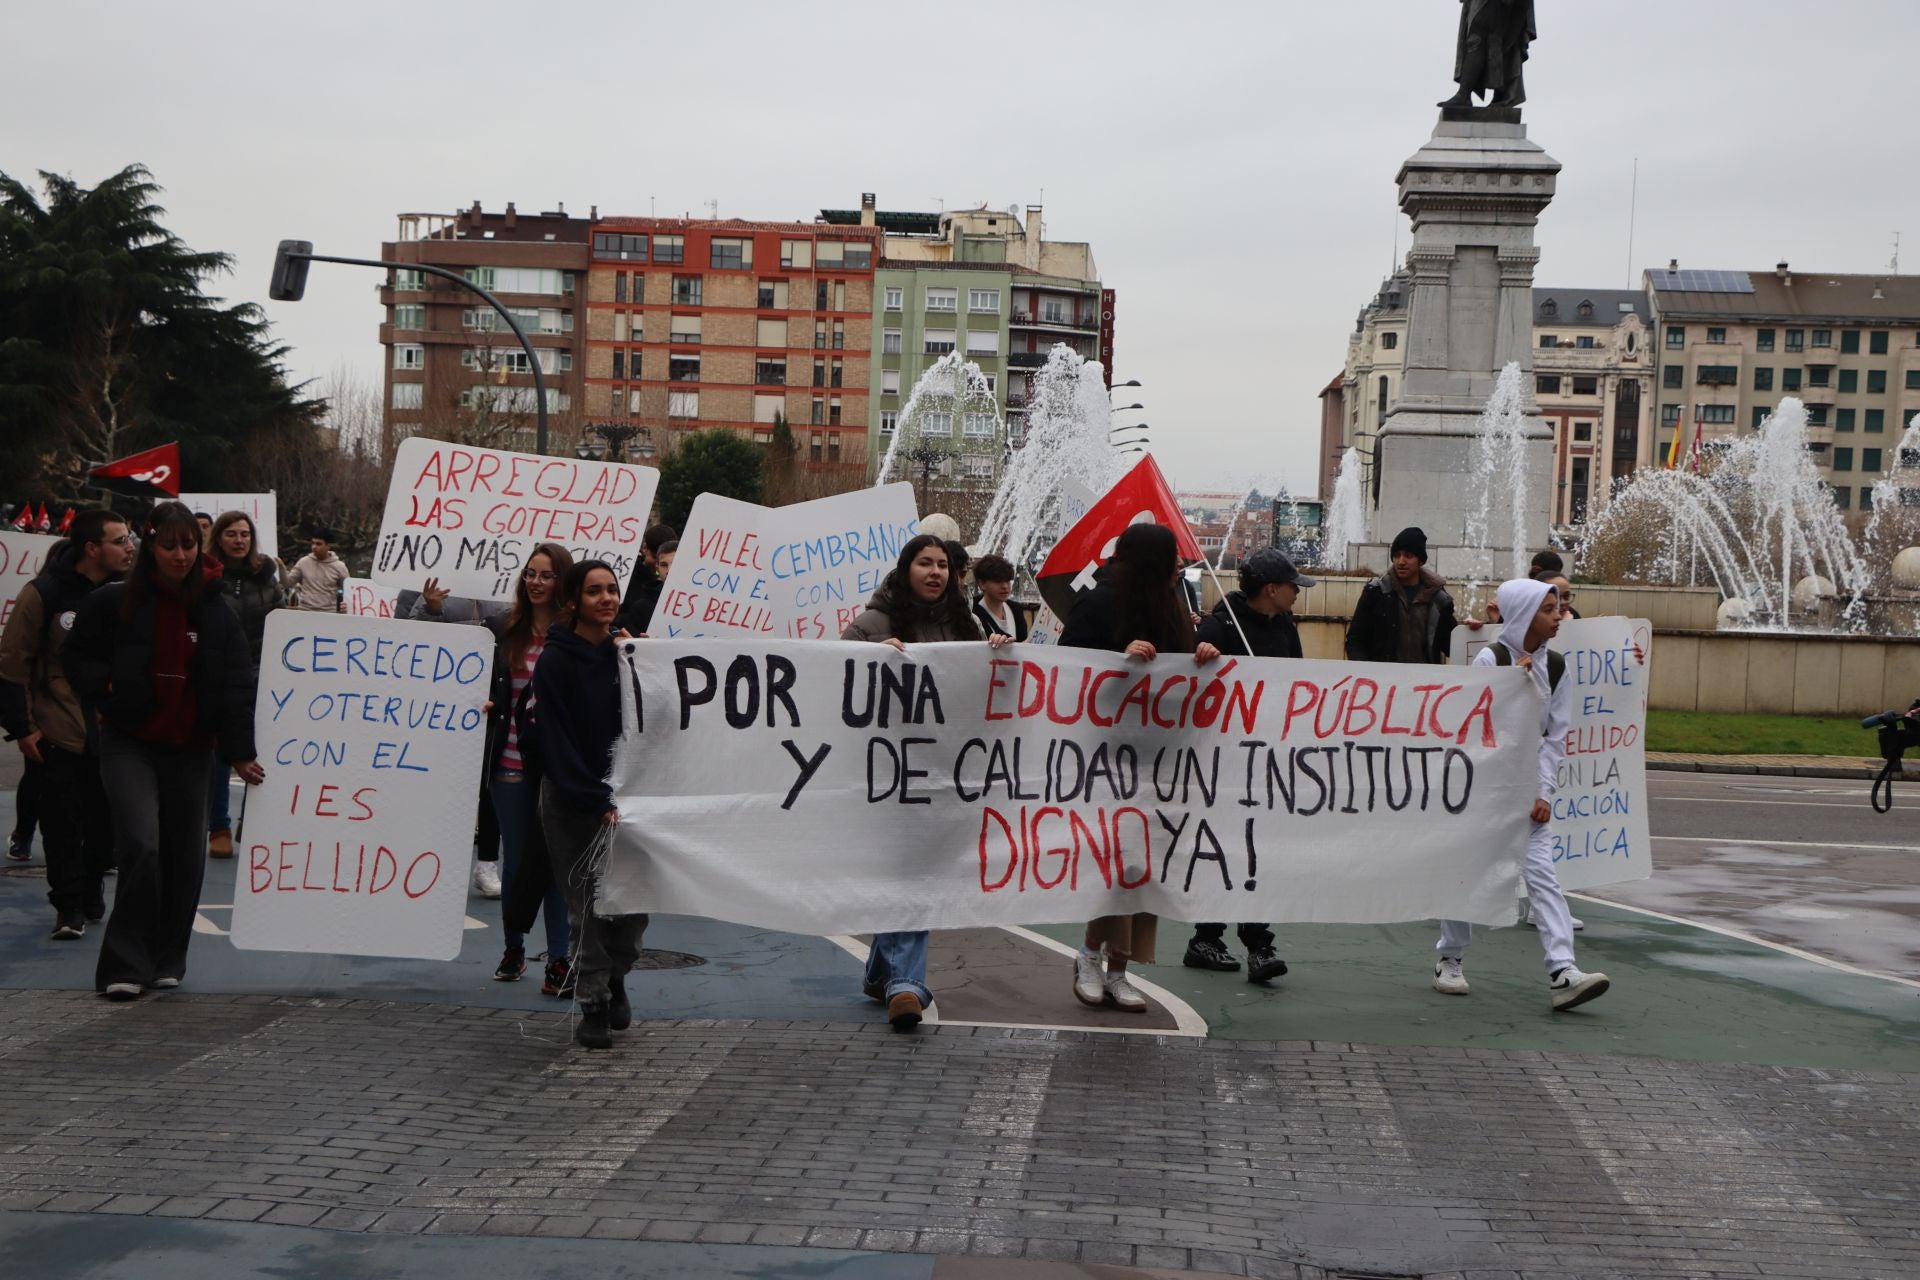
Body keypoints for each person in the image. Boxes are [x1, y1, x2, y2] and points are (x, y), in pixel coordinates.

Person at [63, 502, 262, 999]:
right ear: (149, 547)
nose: (180, 555)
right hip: (129, 741)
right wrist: (107, 690)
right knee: (141, 843)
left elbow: (238, 683)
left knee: (183, 854)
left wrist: (239, 750)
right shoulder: (113, 602)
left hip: (192, 747)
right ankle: (124, 965)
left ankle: (168, 955)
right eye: (169, 545)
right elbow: (75, 655)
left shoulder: (217, 610)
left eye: (188, 545)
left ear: (200, 547)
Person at [841, 534, 1012, 1031]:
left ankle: (882, 972)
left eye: (943, 564)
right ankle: (906, 985)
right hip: (888, 772)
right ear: (906, 568)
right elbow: (829, 672)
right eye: (925, 563)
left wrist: (996, 652)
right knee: (910, 873)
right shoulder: (875, 621)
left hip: (943, 772)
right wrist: (874, 653)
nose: (936, 572)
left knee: (916, 872)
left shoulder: (968, 623)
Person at [1059, 524, 1221, 1013]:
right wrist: (1119, 663)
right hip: (1104, 755)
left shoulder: (1171, 604)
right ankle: (1090, 954)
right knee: (1113, 860)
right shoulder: (1099, 604)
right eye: (1171, 557)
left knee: (1145, 864)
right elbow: (1064, 670)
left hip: (1159, 754)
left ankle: (1120, 968)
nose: (1179, 566)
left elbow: (1178, 668)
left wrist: (1201, 657)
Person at [1432, 577, 1611, 1012]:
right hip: (1485, 794)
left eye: (1558, 608)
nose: (1559, 617)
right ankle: (1449, 957)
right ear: (1524, 615)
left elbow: (1555, 737)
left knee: (1544, 877)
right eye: (1549, 610)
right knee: (1467, 873)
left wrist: (1543, 792)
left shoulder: (1557, 667)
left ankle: (1563, 970)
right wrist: (1514, 687)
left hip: (1529, 796)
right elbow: (1474, 728)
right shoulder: (1491, 661)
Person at [0, 509, 133, 937]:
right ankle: (68, 906)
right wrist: (23, 728)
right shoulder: (43, 594)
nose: (130, 547)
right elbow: (13, 661)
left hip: (114, 730)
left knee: (103, 822)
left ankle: (92, 887)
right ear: (92, 548)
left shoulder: (131, 595)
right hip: (58, 728)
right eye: (120, 540)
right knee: (61, 822)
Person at [1182, 548, 1311, 983]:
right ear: (1271, 589)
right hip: (1225, 762)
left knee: (1257, 851)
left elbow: (1295, 681)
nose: (1298, 593)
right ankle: (1249, 943)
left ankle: (1213, 938)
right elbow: (1184, 675)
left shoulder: (1285, 627)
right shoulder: (1222, 626)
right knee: (1233, 849)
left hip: (1268, 756)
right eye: (1293, 585)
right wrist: (1199, 652)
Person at [533, 560, 646, 1049]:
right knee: (586, 905)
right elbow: (555, 743)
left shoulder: (631, 655)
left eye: (611, 590)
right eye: (594, 591)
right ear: (574, 601)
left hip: (628, 800)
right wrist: (594, 797)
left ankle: (617, 977)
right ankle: (594, 1004)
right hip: (574, 802)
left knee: (633, 904)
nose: (606, 598)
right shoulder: (554, 662)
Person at [484, 543, 575, 996]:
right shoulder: (502, 629)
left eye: (547, 575)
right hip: (510, 767)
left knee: (555, 865)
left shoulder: (576, 635)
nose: (536, 582)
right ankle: (514, 948)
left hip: (557, 771)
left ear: (563, 582)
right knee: (518, 862)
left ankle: (559, 959)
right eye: (530, 574)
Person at [205, 511, 284, 859]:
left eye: (245, 534)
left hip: (263, 673)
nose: (239, 540)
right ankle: (218, 825)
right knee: (220, 752)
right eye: (231, 534)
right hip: (217, 674)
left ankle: (250, 823)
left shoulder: (267, 578)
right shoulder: (204, 576)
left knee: (258, 752)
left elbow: (283, 623)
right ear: (218, 538)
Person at [1344, 527, 1463, 664]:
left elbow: (1452, 645)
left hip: (1425, 681)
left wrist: (1471, 632)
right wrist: (1367, 672)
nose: (1401, 561)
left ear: (1420, 561)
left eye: (1408, 555)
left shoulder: (1438, 598)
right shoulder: (1376, 592)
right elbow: (1355, 640)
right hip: (1384, 681)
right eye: (1397, 555)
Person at [614, 522, 677, 636]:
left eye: (675, 564)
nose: (669, 570)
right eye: (663, 565)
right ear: (657, 566)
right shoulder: (640, 607)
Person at [970, 553, 1029, 642]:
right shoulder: (972, 615)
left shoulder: (1016, 609)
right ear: (982, 584)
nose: (1005, 586)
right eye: (998, 581)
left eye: (1008, 581)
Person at [284, 530, 348, 612]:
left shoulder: (339, 566)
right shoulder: (303, 562)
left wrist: (346, 605)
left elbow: (348, 590)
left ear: (328, 546)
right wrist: (281, 567)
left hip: (328, 612)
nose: (314, 547)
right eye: (312, 543)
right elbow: (287, 583)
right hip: (305, 610)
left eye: (318, 544)